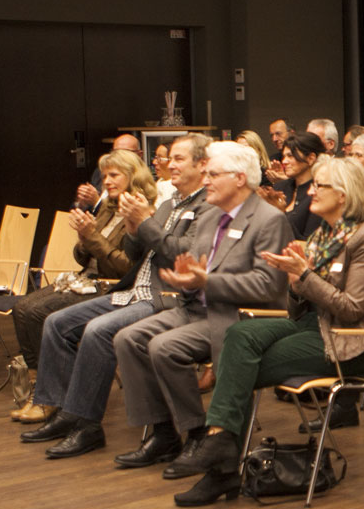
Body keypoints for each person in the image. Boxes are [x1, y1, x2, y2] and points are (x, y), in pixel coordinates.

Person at [171, 157, 364, 506]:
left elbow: (352, 310)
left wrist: (304, 275)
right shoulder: (324, 235)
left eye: (320, 186)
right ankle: (221, 445)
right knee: (239, 335)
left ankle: (221, 462)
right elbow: (298, 309)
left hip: (348, 343)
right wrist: (295, 282)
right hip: (313, 326)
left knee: (239, 366)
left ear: (344, 195)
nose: (311, 191)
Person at [18, 134, 216, 451]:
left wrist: (143, 222)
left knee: (97, 331)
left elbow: (181, 255)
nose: (169, 165)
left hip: (164, 296)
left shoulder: (206, 207)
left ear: (201, 165)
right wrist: (134, 228)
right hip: (133, 290)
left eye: (178, 159)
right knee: (56, 322)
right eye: (170, 159)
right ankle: (64, 410)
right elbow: (136, 254)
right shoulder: (169, 204)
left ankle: (86, 425)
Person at [109, 142, 291, 472]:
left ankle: (197, 435)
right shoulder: (211, 217)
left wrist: (207, 281)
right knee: (127, 339)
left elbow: (268, 286)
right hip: (193, 307)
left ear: (239, 178)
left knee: (164, 347)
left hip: (237, 317)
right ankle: (164, 434)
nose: (205, 181)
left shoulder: (269, 220)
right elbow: (196, 267)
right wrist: (186, 279)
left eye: (213, 175)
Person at [9, 150, 157, 421]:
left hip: (112, 286)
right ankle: (39, 389)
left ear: (133, 175)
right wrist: (83, 237)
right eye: (105, 176)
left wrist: (92, 236)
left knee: (38, 313)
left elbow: (126, 267)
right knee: (21, 308)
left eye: (114, 175)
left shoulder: (142, 209)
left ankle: (50, 397)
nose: (107, 181)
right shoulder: (108, 206)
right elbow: (82, 257)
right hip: (86, 279)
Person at [258, 131, 323, 238]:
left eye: (290, 156)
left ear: (311, 158)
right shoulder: (279, 187)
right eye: (284, 156)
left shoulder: (319, 194)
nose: (284, 161)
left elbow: (309, 242)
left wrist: (280, 213)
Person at [149, 143, 176, 207]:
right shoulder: (160, 182)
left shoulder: (172, 189)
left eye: (159, 158)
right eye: (155, 157)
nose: (154, 162)